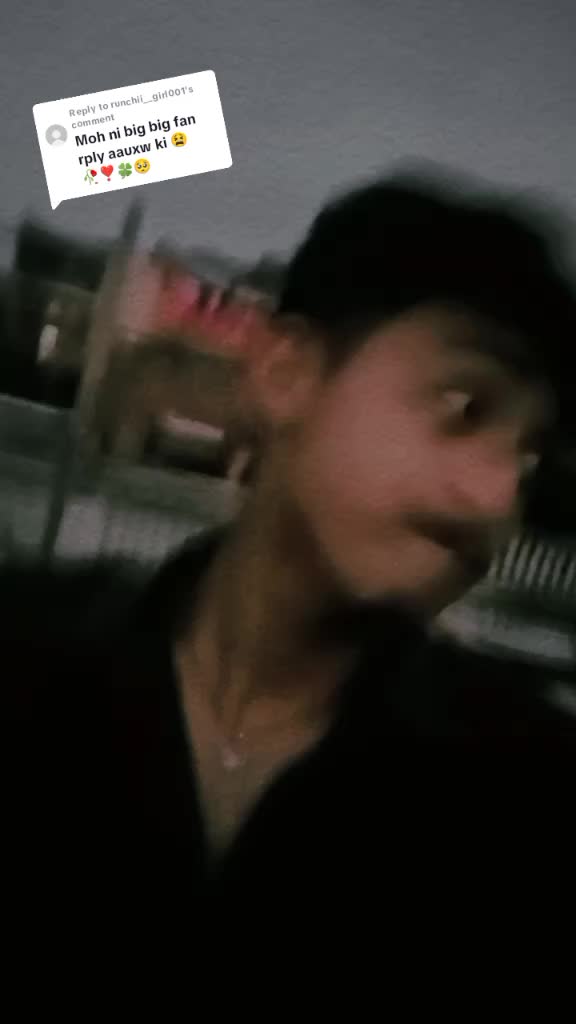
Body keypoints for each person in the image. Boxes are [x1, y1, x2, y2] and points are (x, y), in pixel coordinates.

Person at [3, 165, 576, 980]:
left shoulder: (524, 793)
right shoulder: (27, 657)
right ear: (285, 375)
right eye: (464, 407)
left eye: (530, 457)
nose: (497, 501)